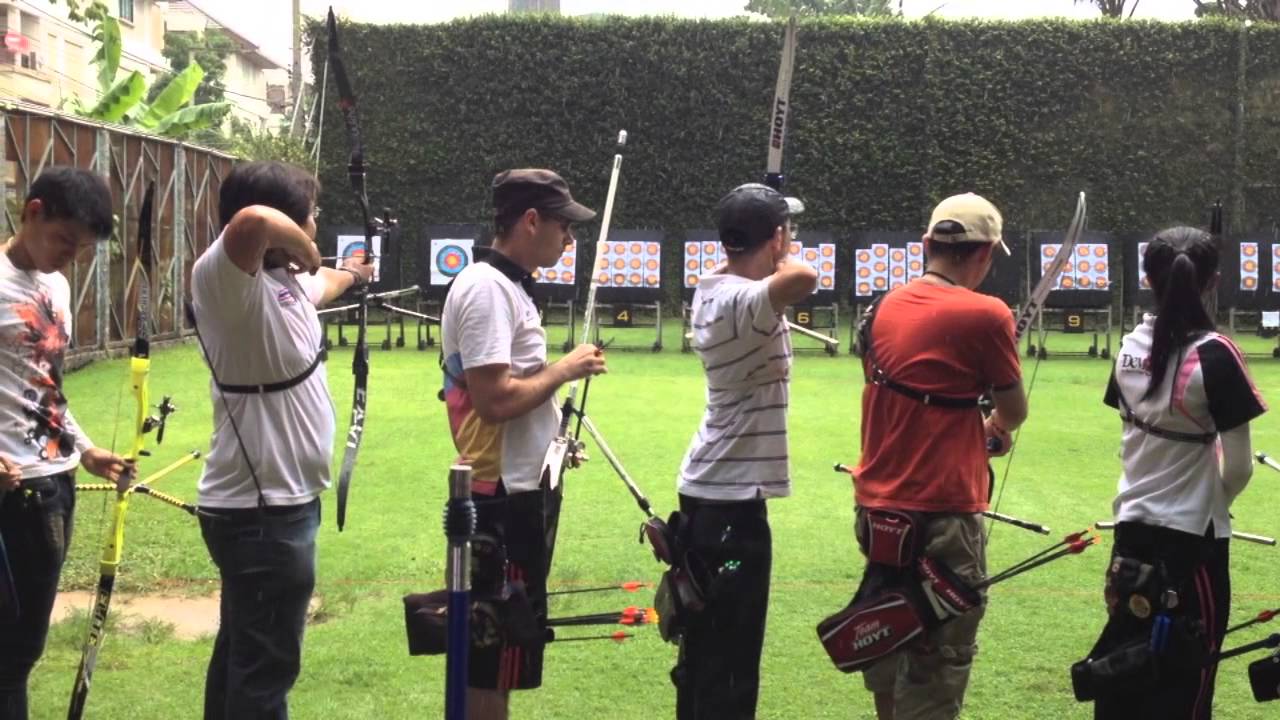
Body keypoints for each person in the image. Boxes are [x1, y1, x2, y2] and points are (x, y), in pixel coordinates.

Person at [189, 161, 374, 719]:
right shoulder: (223, 283)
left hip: (276, 507)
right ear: (290, 225)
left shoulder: (280, 284)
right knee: (265, 675)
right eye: (311, 217)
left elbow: (325, 284)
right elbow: (250, 221)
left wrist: (352, 272)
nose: (315, 225)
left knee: (241, 657)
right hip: (262, 512)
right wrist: (311, 250)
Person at [850, 193, 1027, 720]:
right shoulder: (987, 313)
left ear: (927, 245)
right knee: (940, 655)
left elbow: (912, 399)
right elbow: (1012, 410)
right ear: (987, 253)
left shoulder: (879, 308)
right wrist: (992, 428)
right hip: (944, 517)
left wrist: (974, 426)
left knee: (886, 634)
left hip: (879, 512)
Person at [439, 168, 606, 720]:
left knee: (506, 652)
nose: (569, 238)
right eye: (563, 225)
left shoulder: (506, 286)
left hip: (515, 489)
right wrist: (565, 369)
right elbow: (494, 400)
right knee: (492, 654)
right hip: (498, 498)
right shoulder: (488, 290)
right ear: (531, 220)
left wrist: (553, 442)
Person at [1079, 227, 1265, 719]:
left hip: (1132, 535)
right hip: (1193, 545)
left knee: (1127, 666)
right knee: (1186, 682)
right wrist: (1213, 507)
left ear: (1147, 278)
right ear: (1213, 282)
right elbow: (1241, 467)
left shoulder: (1127, 348)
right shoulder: (1216, 353)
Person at [671, 183, 817, 720]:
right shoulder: (742, 302)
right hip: (730, 511)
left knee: (708, 652)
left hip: (711, 498)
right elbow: (803, 277)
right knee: (728, 662)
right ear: (775, 238)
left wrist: (770, 234)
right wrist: (783, 247)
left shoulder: (715, 289)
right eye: (787, 231)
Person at [0, 167, 130, 720]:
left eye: (82, 249)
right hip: (7, 487)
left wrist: (85, 447)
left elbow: (44, 384)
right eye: (63, 240)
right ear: (32, 213)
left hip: (52, 483)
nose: (70, 257)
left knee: (22, 648)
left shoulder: (55, 284)